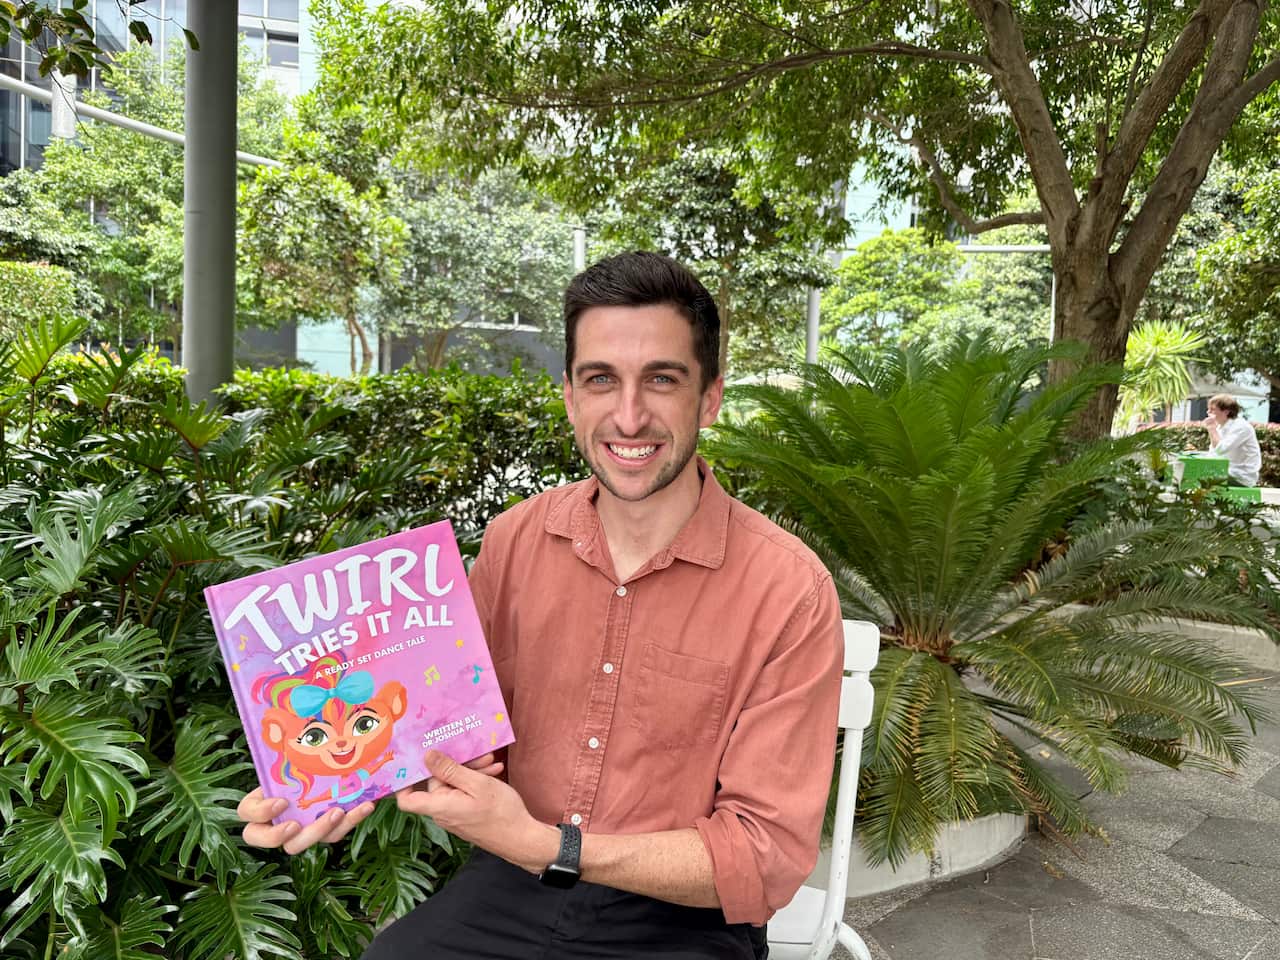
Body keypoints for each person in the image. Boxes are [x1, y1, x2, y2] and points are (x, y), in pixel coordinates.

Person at [237, 251, 844, 959]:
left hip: (682, 921)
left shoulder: (788, 591)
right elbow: (451, 723)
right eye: (601, 379)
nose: (629, 416)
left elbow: (763, 855)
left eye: (662, 379)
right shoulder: (515, 540)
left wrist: (553, 846)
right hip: (511, 889)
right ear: (569, 396)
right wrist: (338, 783)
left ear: (709, 398)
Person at [1203, 394, 1262, 487]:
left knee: (1199, 476)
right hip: (1228, 471)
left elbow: (1220, 449)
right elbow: (1213, 453)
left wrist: (1211, 428)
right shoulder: (1221, 427)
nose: (1208, 412)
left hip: (1241, 476)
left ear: (1226, 412)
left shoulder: (1241, 427)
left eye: (1212, 409)